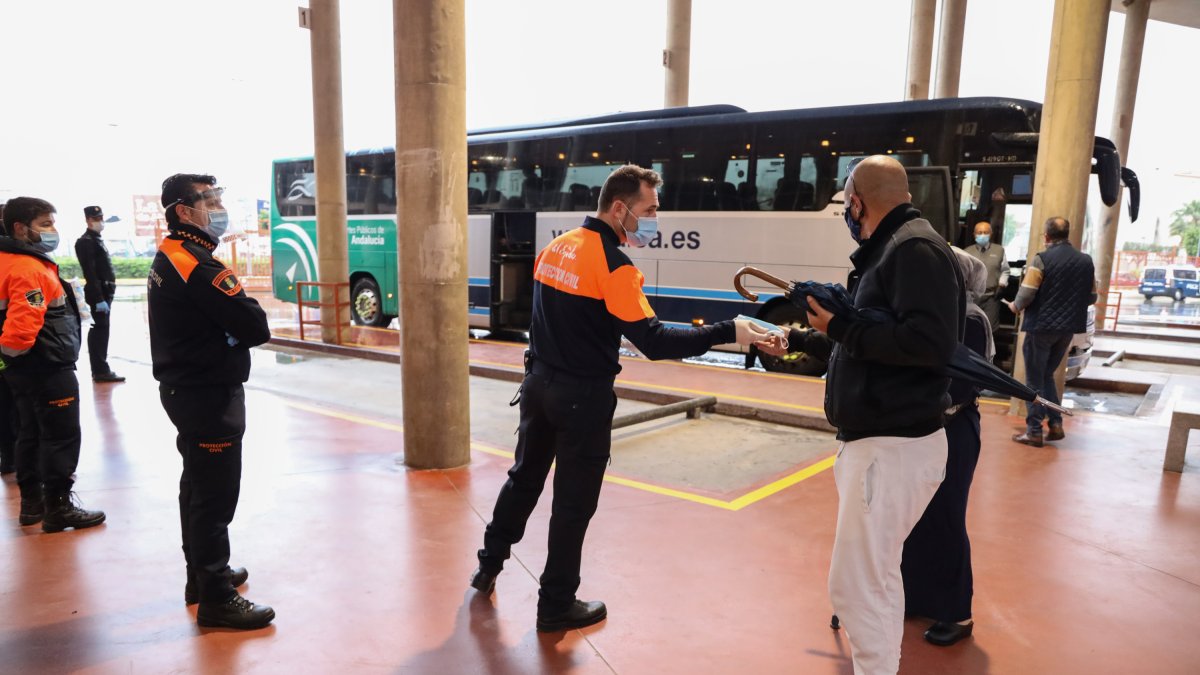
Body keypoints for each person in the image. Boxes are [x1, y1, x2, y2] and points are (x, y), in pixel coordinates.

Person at [469, 165, 770, 633]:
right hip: (581, 399)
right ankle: (556, 605)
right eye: (649, 210)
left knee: (524, 479)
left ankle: (488, 565)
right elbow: (654, 341)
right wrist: (729, 330)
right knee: (572, 505)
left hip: (537, 386)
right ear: (619, 208)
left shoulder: (557, 246)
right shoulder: (615, 265)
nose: (653, 220)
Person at [757, 155, 964, 675]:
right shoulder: (893, 251)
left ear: (857, 200)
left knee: (858, 585)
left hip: (891, 448)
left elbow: (929, 345)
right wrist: (807, 338)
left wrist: (843, 329)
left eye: (845, 202)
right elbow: (873, 343)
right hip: (883, 446)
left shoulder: (912, 250)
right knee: (873, 577)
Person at [149, 174, 273, 630]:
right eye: (211, 199)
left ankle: (200, 577)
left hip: (188, 390)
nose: (219, 206)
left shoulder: (172, 254)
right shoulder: (197, 265)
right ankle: (217, 597)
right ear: (184, 210)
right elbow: (256, 327)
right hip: (207, 394)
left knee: (197, 487)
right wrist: (234, 325)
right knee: (215, 496)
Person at [900, 247, 991, 648]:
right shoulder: (940, 312)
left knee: (946, 518)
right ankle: (918, 596)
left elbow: (962, 383)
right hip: (927, 426)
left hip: (954, 427)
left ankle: (958, 613)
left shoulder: (969, 318)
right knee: (916, 517)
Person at [0, 197, 106, 531]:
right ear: (20, 228)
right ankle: (58, 507)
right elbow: (20, 329)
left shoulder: (8, 261)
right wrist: (16, 359)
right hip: (46, 368)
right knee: (60, 436)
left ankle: (32, 503)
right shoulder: (27, 268)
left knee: (29, 433)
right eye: (45, 224)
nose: (52, 231)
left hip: (22, 371)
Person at [1006, 216, 1097, 447]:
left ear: (1047, 236)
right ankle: (1055, 424)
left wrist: (1014, 307)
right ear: (1067, 234)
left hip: (1041, 327)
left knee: (1034, 380)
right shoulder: (1086, 261)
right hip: (1067, 329)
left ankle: (1034, 430)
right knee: (1047, 376)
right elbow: (1092, 296)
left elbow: (1026, 293)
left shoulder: (1041, 260)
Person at [75, 205, 124, 383]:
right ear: (88, 220)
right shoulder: (85, 241)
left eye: (101, 218)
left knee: (103, 330)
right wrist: (98, 298)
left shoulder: (95, 239)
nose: (100, 222)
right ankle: (100, 370)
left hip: (105, 290)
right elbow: (90, 272)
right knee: (99, 331)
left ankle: (101, 369)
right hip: (99, 292)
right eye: (96, 219)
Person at [965, 220, 1009, 330]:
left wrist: (1002, 284)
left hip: (991, 297)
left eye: (986, 232)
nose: (982, 235)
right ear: (974, 234)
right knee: (971, 327)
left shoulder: (999, 250)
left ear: (991, 234)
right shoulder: (966, 252)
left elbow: (1005, 270)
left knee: (989, 328)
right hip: (972, 298)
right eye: (979, 232)